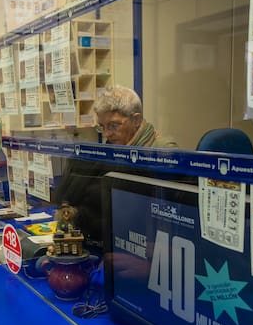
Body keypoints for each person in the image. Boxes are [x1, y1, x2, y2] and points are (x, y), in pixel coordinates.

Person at [51, 85, 178, 247]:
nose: (107, 134)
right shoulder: (114, 150)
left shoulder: (163, 153)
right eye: (102, 127)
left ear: (136, 120)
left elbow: (169, 218)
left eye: (113, 125)